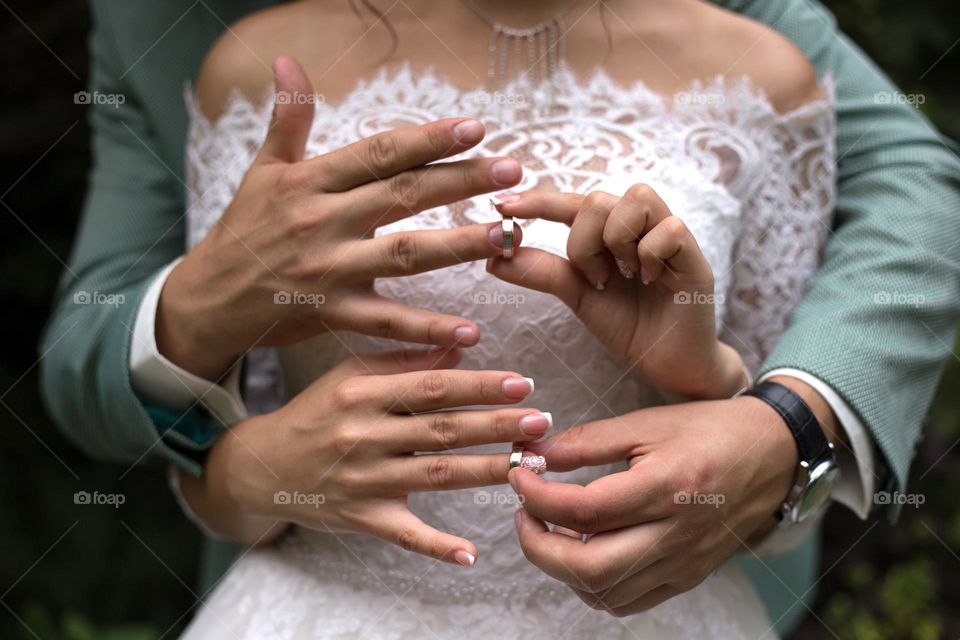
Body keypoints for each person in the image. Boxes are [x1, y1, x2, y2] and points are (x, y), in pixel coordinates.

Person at [40, 0, 960, 638]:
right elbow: (212, 425)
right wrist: (237, 462)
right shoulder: (241, 60)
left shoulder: (759, 62)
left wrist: (762, 413)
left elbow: (753, 411)